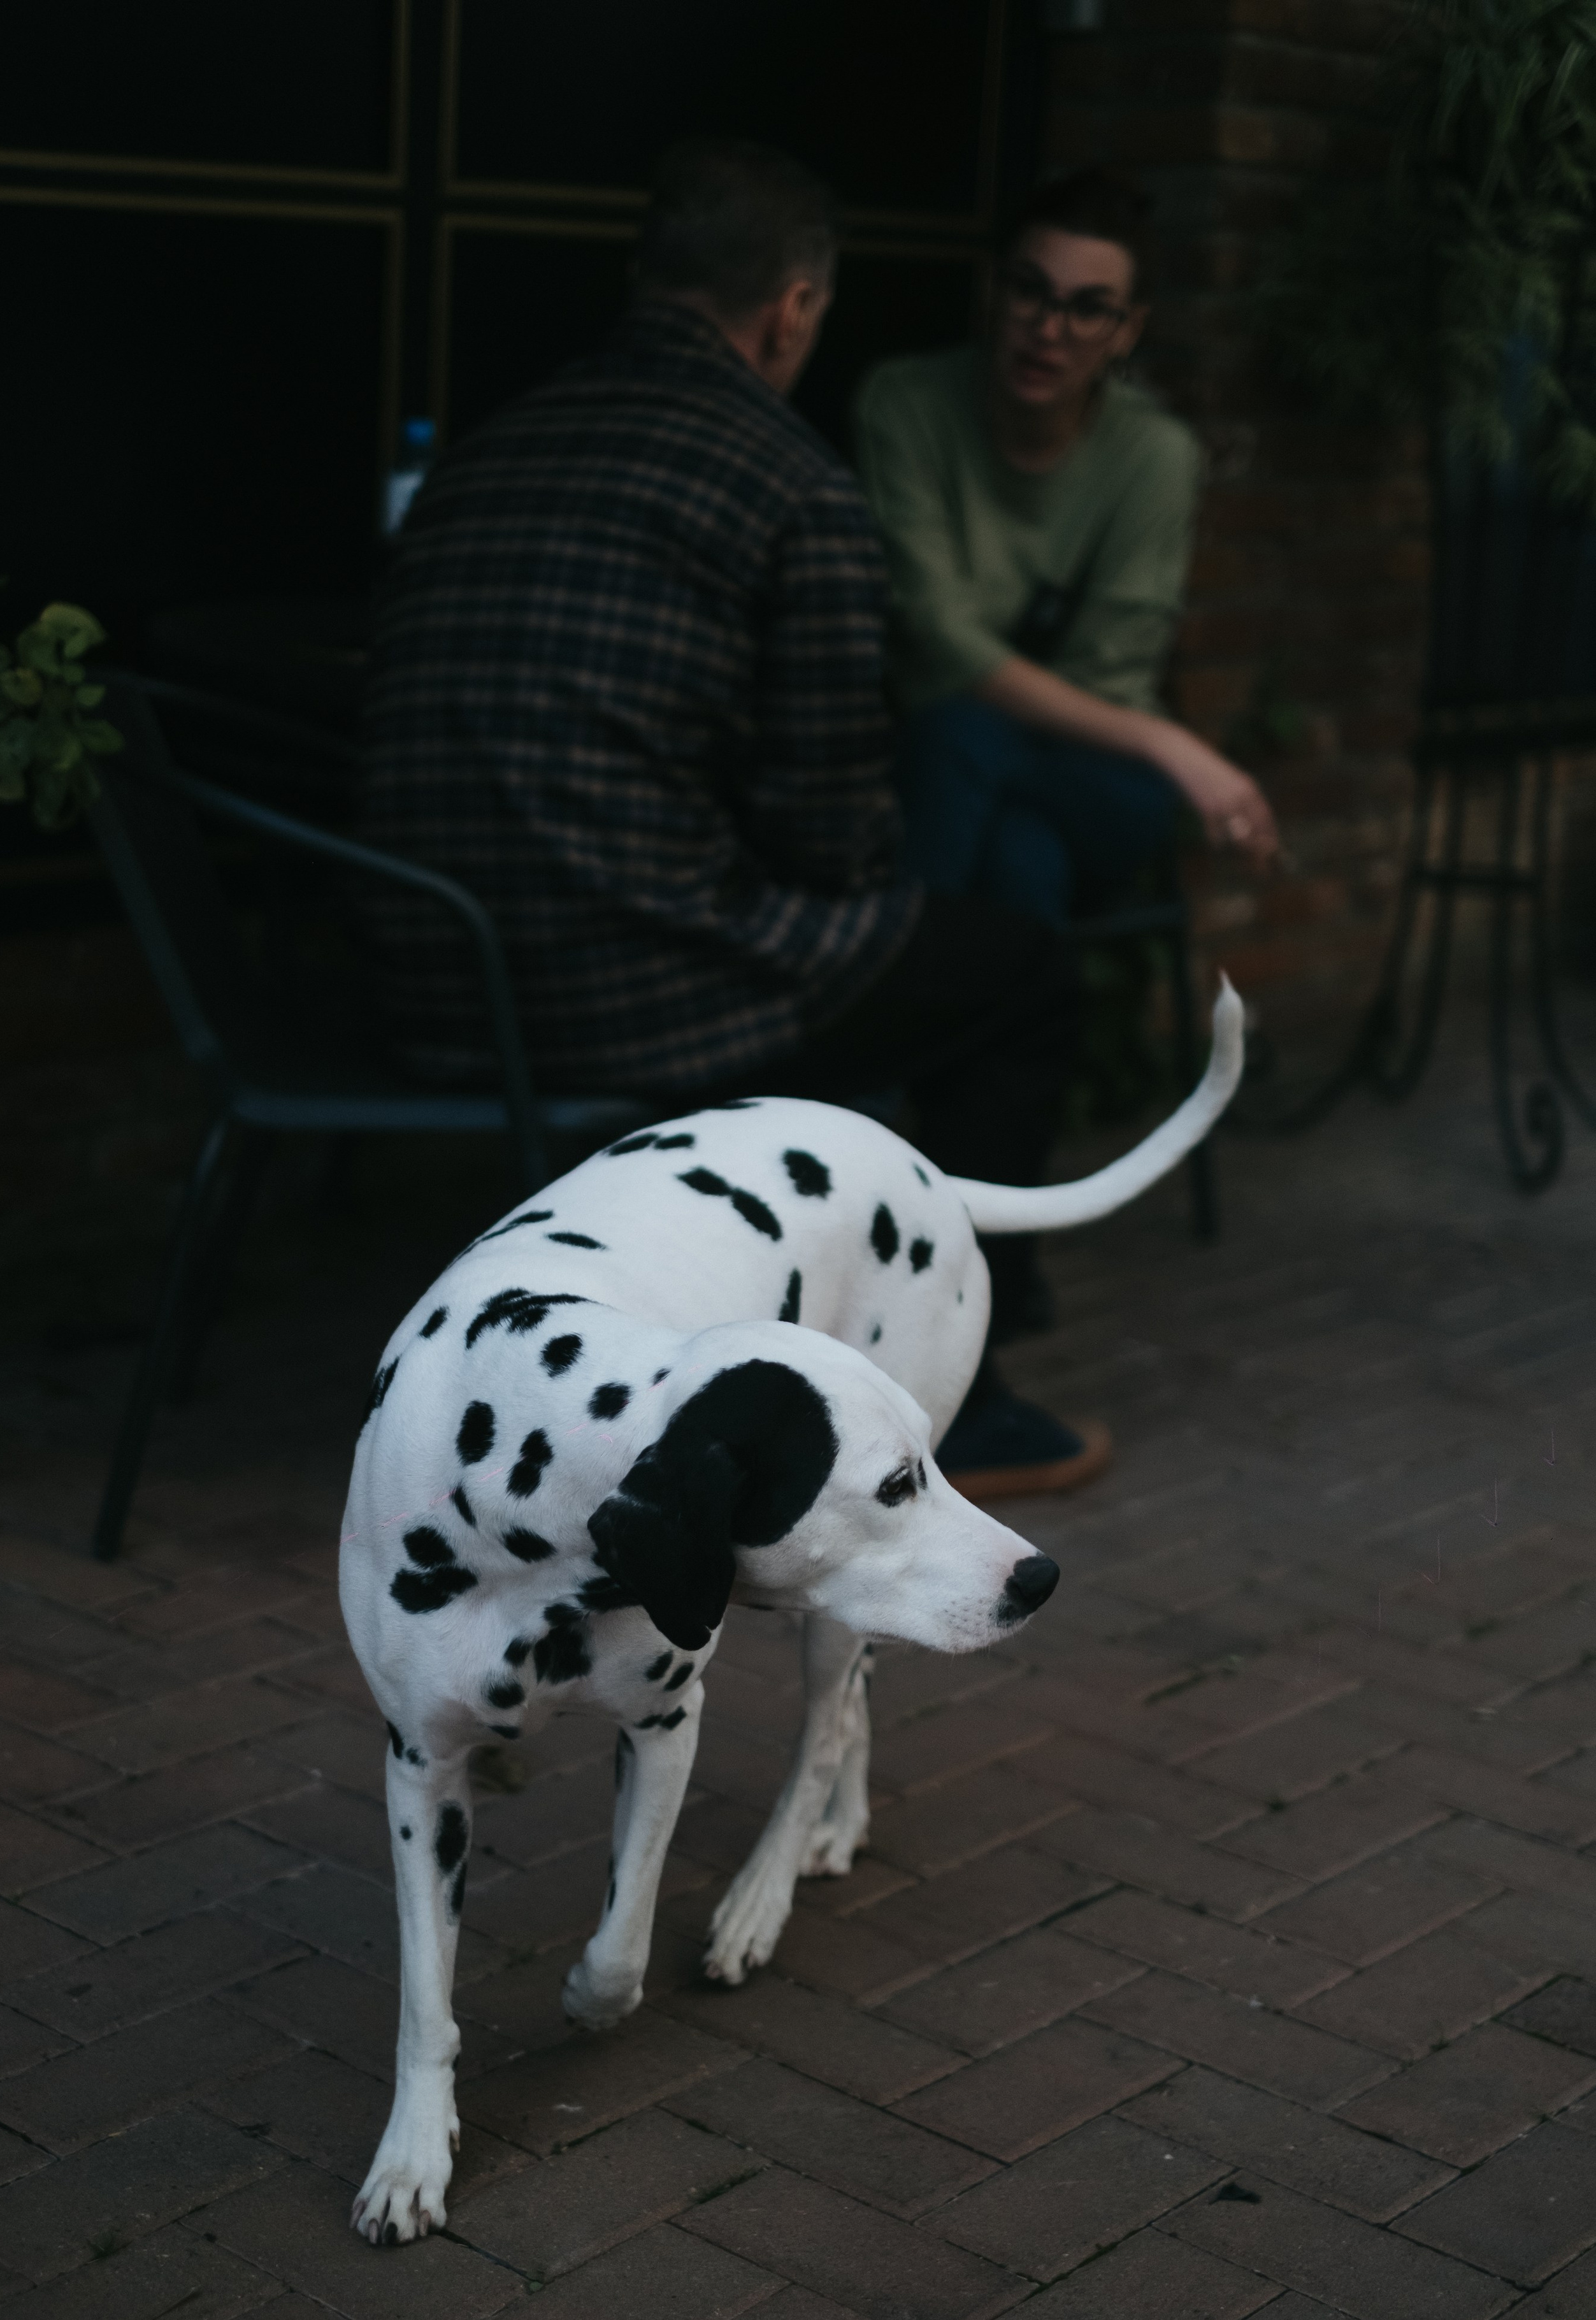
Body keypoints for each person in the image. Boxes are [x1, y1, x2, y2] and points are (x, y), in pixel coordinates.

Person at [357, 139, 1104, 1496]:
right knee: (1016, 971)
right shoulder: (791, 480)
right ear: (792, 309)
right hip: (636, 992)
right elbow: (829, 834)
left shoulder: (485, 447)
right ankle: (957, 1388)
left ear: (651, 280)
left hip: (419, 981)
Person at [855, 168, 1279, 928]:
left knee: (963, 737)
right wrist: (1173, 745)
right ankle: (983, 1038)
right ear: (994, 288)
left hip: (1091, 778)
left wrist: (1130, 737)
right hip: (938, 756)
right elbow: (936, 642)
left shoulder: (1153, 456)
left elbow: (1108, 673)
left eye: (1089, 310)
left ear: (1128, 330)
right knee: (1019, 857)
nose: (1049, 330)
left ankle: (896, 1004)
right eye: (1030, 291)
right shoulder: (905, 405)